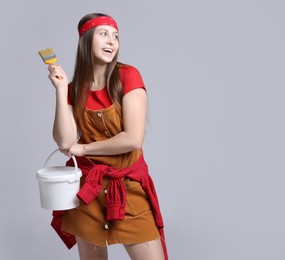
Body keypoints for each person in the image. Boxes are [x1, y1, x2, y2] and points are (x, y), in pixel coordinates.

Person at [46, 13, 167, 260]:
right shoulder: (74, 89)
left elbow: (133, 139)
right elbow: (65, 142)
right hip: (87, 191)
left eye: (116, 36)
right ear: (85, 40)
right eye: (103, 34)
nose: (112, 41)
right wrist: (61, 91)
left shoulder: (128, 76)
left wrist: (85, 149)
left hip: (128, 188)